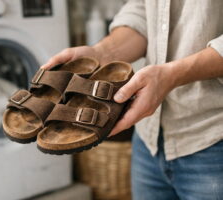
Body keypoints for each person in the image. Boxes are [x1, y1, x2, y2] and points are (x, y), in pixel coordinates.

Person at [41, 1, 223, 199]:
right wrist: (102, 53)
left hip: (213, 135)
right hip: (149, 138)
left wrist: (172, 75)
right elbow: (144, 9)